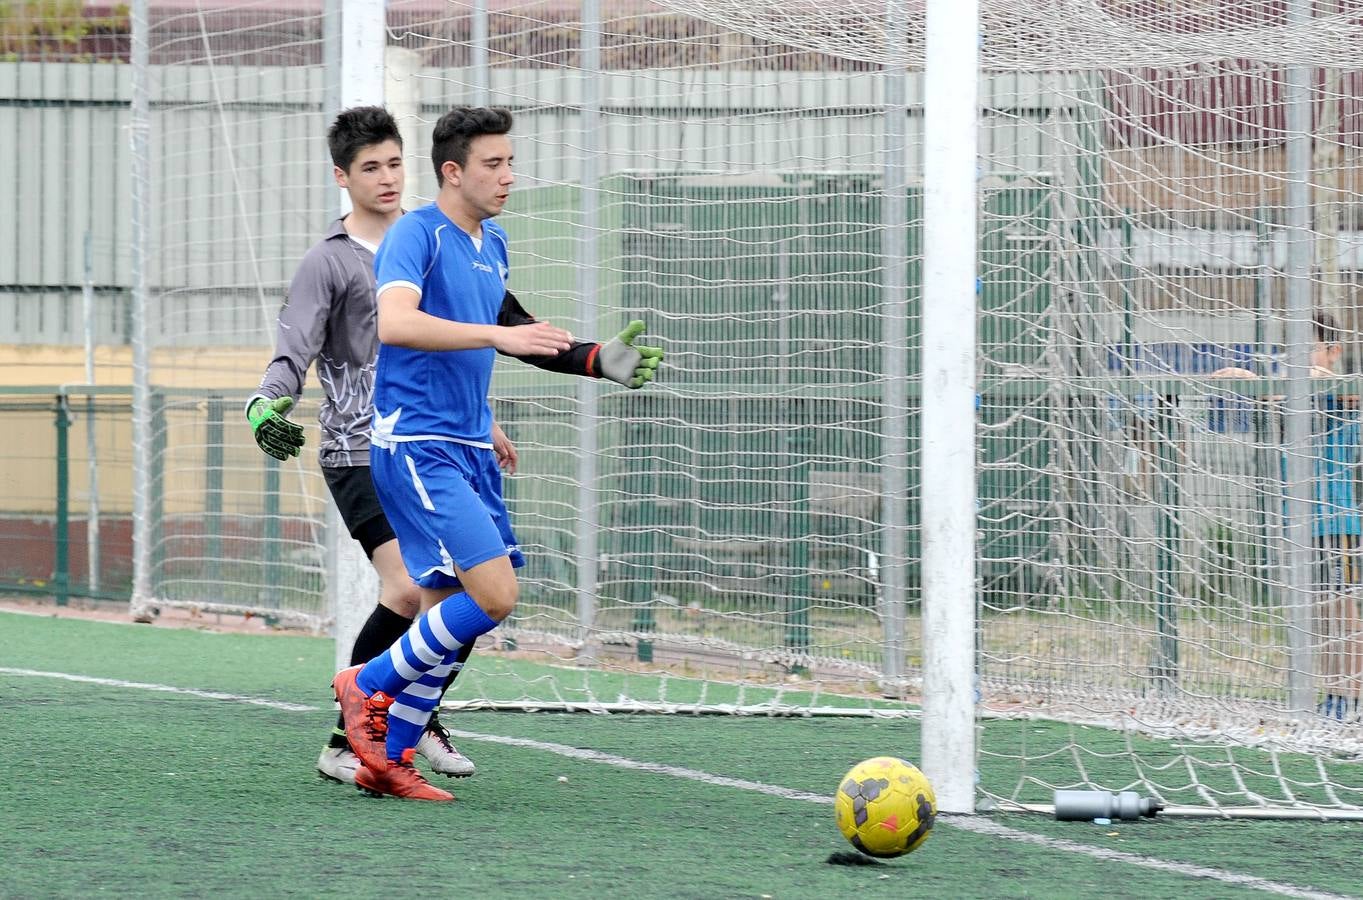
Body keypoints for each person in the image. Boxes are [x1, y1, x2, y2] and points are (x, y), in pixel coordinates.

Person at [331, 106, 664, 801]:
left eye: (510, 162)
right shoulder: (416, 233)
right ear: (453, 172)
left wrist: (599, 360)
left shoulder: (493, 241)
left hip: (467, 445)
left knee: (448, 611)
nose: (509, 175)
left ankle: (387, 761)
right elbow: (395, 322)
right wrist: (495, 337)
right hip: (417, 444)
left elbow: (517, 328)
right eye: (494, 163)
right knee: (496, 594)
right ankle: (366, 684)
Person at [248, 106, 515, 785]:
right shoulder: (329, 262)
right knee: (405, 588)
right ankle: (346, 739)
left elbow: (468, 338)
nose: (387, 177)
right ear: (342, 177)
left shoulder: (434, 239)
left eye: (395, 163)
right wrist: (264, 401)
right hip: (360, 449)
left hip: (437, 440)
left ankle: (409, 720)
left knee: (453, 591)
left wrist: (481, 419)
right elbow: (293, 351)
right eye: (370, 167)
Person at [1213, 310, 1363, 722]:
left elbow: (1326, 384)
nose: (1297, 356)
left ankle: (1353, 694)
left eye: (1307, 346)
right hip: (1299, 523)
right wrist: (1244, 377)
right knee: (1320, 615)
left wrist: (1291, 376)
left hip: (1335, 523)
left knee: (1342, 611)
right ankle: (1335, 695)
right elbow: (1273, 394)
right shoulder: (1291, 393)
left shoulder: (1340, 388)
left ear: (1334, 350)